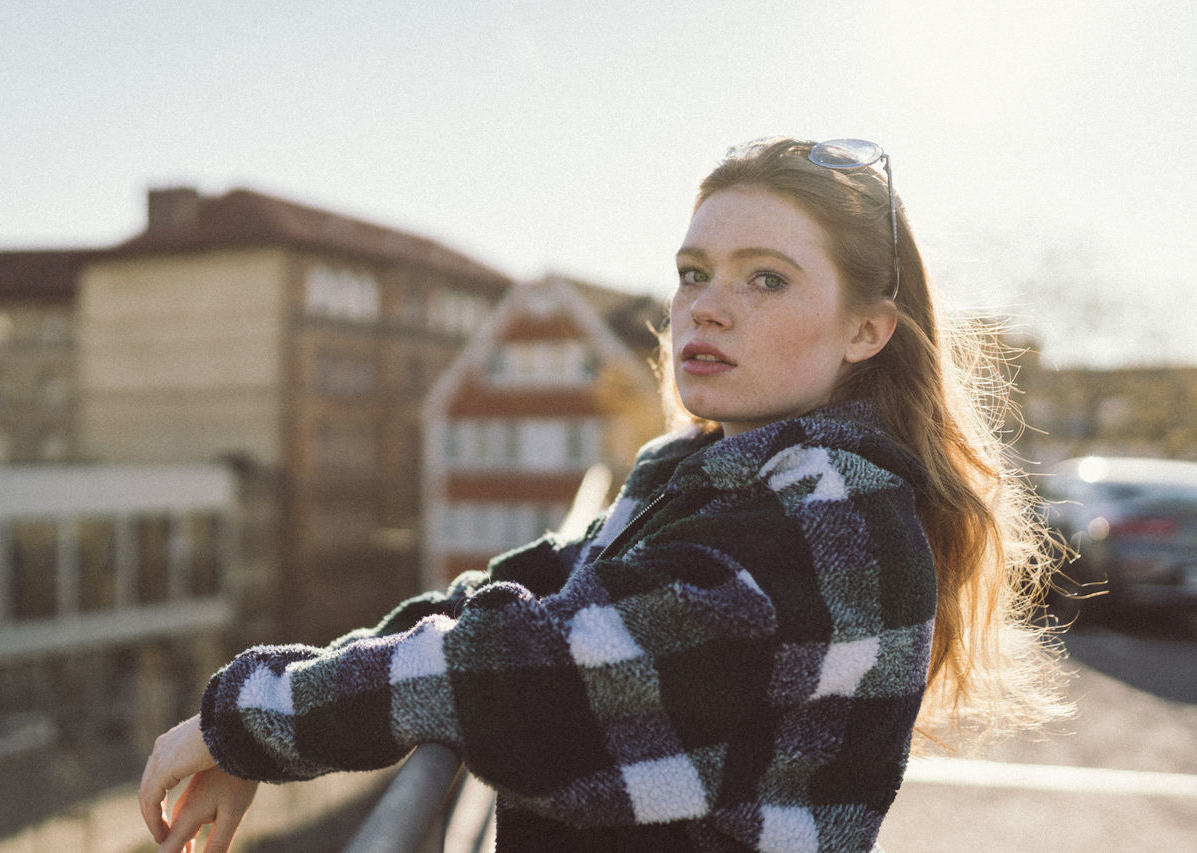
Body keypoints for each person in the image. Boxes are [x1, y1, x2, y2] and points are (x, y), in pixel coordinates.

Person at [139, 136, 1069, 852]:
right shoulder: (707, 474)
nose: (705, 305)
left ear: (867, 329)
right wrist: (240, 731)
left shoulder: (831, 517)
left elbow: (543, 669)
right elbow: (513, 595)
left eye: (767, 278)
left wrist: (251, 716)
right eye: (693, 272)